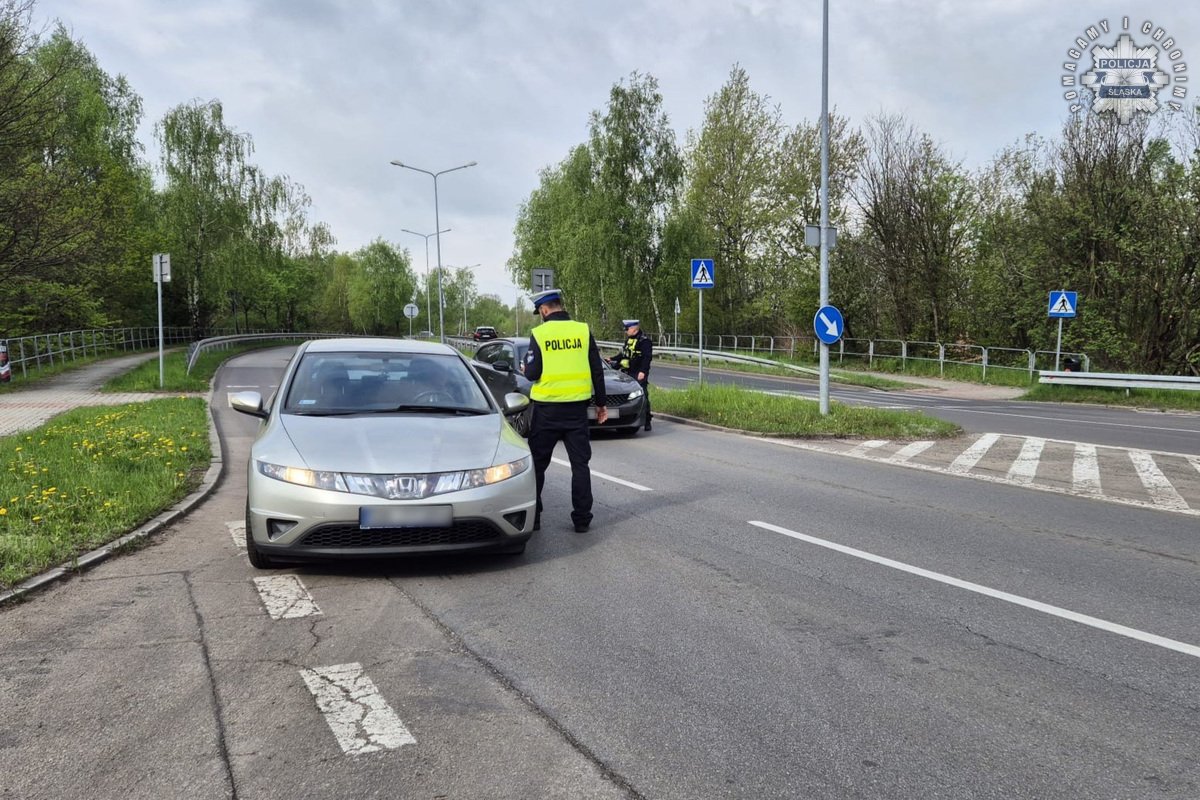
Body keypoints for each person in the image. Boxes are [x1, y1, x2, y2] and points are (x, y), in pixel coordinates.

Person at [523, 288, 608, 533]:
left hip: (546, 412)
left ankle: (535, 518)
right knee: (580, 465)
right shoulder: (582, 330)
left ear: (544, 309)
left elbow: (532, 373)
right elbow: (597, 370)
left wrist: (524, 367)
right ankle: (582, 519)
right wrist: (601, 404)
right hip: (576, 412)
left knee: (537, 466)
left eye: (540, 312)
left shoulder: (539, 333)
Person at [608, 318, 654, 431]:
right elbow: (624, 354)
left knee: (643, 396)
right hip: (627, 373)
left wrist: (643, 372)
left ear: (634, 329)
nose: (625, 331)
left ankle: (647, 420)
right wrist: (611, 359)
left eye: (627, 329)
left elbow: (647, 358)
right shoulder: (629, 340)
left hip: (639, 373)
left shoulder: (644, 341)